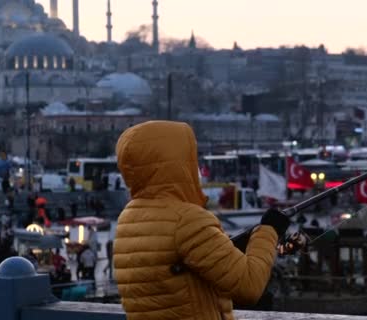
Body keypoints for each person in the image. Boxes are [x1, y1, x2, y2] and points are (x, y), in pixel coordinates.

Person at [113, 121, 289, 319]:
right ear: (176, 163)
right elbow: (249, 286)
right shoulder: (186, 219)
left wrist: (229, 249)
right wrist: (269, 230)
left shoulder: (128, 218)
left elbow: (176, 278)